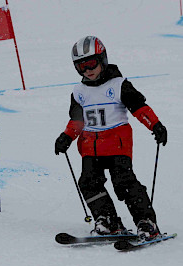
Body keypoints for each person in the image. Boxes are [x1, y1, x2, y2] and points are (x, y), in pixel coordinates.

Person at [54, 36, 167, 241]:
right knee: (89, 183)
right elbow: (77, 120)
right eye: (81, 66)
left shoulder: (118, 85)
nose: (87, 70)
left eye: (91, 63)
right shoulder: (79, 92)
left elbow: (139, 108)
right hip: (90, 146)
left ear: (102, 59)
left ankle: (146, 222)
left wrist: (155, 125)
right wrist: (66, 137)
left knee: (124, 183)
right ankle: (107, 220)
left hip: (117, 145)